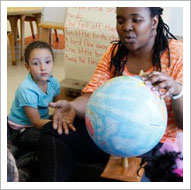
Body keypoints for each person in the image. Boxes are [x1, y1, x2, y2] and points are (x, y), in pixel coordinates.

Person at [38, 7, 183, 182]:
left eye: (136, 20)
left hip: (154, 146)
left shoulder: (178, 55)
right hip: (108, 138)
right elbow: (92, 96)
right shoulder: (115, 53)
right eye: (120, 21)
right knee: (53, 131)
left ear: (154, 22)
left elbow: (183, 123)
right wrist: (72, 106)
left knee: (121, 178)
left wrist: (177, 91)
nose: (126, 27)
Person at [8, 41, 61, 153]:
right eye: (36, 63)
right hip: (22, 129)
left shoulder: (53, 82)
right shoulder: (27, 90)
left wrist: (62, 116)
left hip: (41, 120)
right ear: (27, 67)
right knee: (51, 140)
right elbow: (36, 122)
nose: (43, 67)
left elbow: (59, 105)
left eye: (47, 62)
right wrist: (59, 125)